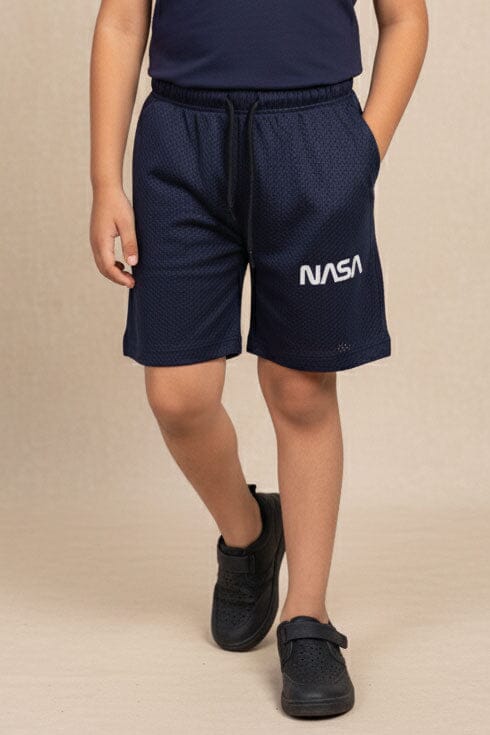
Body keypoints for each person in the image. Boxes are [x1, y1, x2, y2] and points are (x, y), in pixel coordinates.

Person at [89, 0, 428, 718]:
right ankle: (249, 534)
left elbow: (406, 19)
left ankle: (307, 617)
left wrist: (360, 152)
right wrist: (104, 182)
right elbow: (121, 22)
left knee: (300, 388)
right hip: (180, 144)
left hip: (312, 137)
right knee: (177, 395)